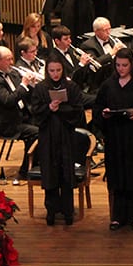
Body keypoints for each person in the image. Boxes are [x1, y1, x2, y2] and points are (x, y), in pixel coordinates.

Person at [94, 48, 133, 230]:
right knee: (117, 176)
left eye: (125, 65)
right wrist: (104, 114)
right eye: (118, 65)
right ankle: (117, 217)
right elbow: (98, 107)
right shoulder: (108, 85)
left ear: (132, 65)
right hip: (115, 138)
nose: (121, 69)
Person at [29, 55, 85, 225]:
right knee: (50, 173)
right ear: (47, 70)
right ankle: (51, 211)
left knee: (66, 173)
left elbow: (78, 110)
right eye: (52, 70)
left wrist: (59, 109)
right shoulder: (40, 88)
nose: (55, 74)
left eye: (58, 70)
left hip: (66, 135)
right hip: (48, 136)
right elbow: (35, 111)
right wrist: (49, 108)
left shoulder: (71, 87)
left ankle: (68, 211)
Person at [0, 46, 39, 182]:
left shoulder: (12, 73)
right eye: (8, 59)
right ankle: (26, 170)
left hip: (22, 115)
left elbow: (23, 96)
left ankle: (39, 165)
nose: (12, 62)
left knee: (49, 123)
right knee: (38, 133)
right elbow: (8, 101)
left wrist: (31, 85)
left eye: (11, 58)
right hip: (7, 123)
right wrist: (24, 85)